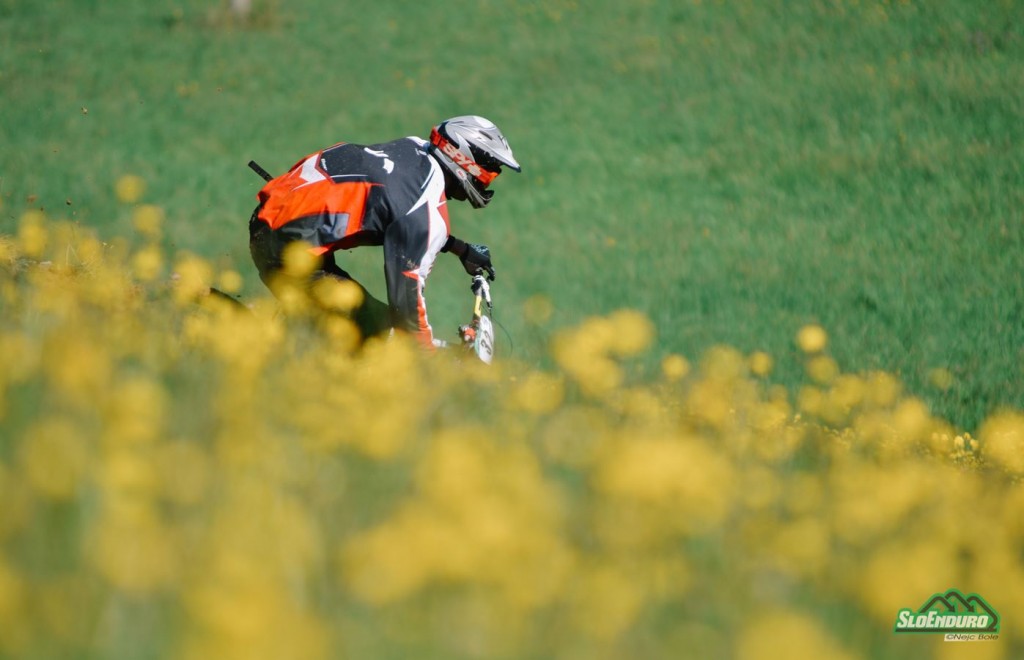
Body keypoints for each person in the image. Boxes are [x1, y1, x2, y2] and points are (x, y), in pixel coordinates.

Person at [248, 115, 521, 347]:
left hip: (273, 218)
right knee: (377, 334)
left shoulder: (413, 149)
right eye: (490, 173)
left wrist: (460, 249)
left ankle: (279, 330)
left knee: (357, 322)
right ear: (464, 159)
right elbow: (406, 303)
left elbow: (399, 214)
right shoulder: (423, 209)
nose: (488, 181)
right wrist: (428, 360)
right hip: (285, 249)